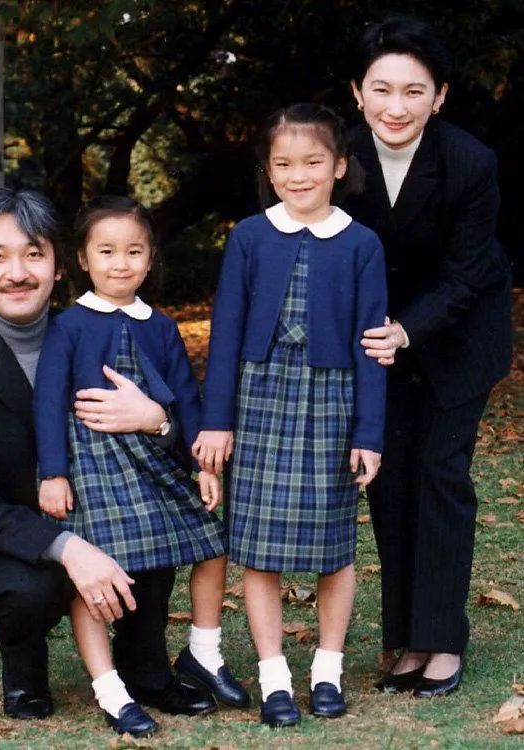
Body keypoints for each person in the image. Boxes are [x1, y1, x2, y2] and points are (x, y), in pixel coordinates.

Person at [0, 188, 215, 723]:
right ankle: (25, 675)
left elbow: (177, 423)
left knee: (151, 522)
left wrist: (156, 421)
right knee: (32, 583)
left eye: (33, 254)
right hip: (0, 545)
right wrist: (67, 546)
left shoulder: (97, 327)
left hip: (111, 507)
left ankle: (146, 671)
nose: (17, 273)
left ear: (57, 265)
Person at [194, 104, 387, 726]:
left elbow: (372, 346)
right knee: (258, 547)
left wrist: (369, 432)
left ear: (339, 166)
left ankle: (327, 671)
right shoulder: (249, 237)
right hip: (258, 401)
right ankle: (274, 677)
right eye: (283, 164)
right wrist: (217, 420)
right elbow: (225, 334)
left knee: (335, 546)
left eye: (312, 162)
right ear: (268, 171)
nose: (297, 175)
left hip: (332, 404)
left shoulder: (361, 244)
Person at [33, 195, 249, 736]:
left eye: (134, 251)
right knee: (97, 571)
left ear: (151, 259)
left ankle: (203, 652)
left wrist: (203, 463)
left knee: (211, 539)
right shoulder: (68, 326)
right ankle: (111, 690)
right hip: (93, 465)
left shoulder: (161, 326)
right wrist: (53, 473)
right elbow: (48, 402)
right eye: (106, 251)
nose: (120, 263)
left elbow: (186, 399)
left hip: (154, 459)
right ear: (83, 259)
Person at [345, 17, 512, 698]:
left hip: (459, 334)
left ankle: (442, 640)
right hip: (377, 341)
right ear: (357, 92)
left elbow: (468, 274)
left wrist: (407, 331)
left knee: (440, 474)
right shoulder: (336, 156)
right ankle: (406, 640)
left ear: (439, 97)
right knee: (389, 482)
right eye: (381, 89)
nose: (396, 106)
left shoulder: (471, 162)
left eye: (414, 91)